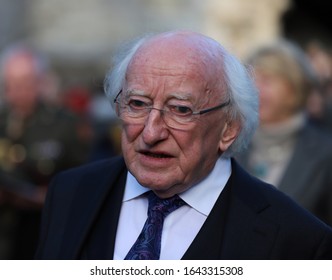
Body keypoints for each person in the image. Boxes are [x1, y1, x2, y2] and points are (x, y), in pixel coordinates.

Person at [35, 31, 332, 260]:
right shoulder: (70, 192)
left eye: (180, 110)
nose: (151, 133)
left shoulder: (298, 239)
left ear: (229, 129)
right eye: (137, 104)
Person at [0, 44, 92, 259]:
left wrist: (43, 196)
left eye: (24, 83)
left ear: (39, 82)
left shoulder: (65, 124)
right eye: (10, 85)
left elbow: (86, 181)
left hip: (43, 232)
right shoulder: (3, 122)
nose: (17, 92)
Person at [236, 40, 332, 226]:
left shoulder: (325, 153)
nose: (255, 89)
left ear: (294, 90)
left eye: (267, 80)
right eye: (251, 79)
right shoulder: (229, 144)